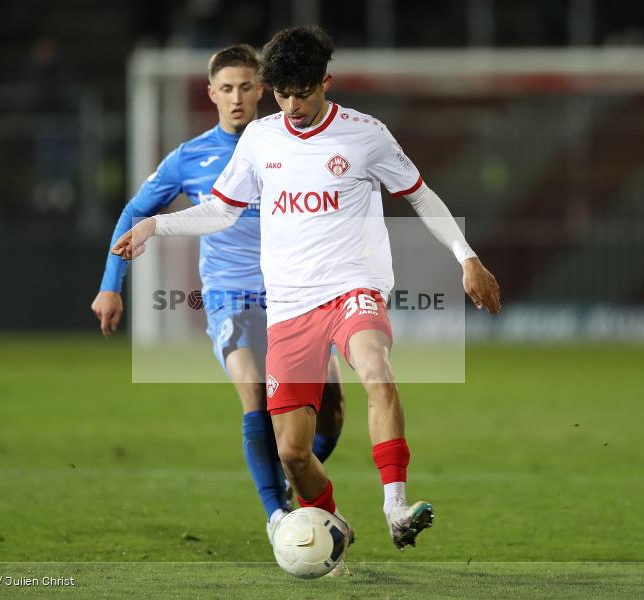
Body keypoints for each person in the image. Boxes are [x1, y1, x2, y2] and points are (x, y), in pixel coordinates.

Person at [112, 27, 501, 553]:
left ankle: (396, 507)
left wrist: (466, 257)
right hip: (289, 306)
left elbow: (421, 196)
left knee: (376, 370)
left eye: (303, 93)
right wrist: (154, 226)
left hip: (351, 287)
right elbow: (222, 211)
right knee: (293, 452)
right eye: (282, 95)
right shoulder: (261, 139)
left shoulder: (366, 135)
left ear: (326, 83)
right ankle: (332, 527)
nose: (292, 106)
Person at [91, 44, 345, 542]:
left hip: (294, 296)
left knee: (331, 412)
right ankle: (278, 516)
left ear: (262, 90)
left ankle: (290, 478)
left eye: (246, 87)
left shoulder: (291, 145)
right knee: (254, 391)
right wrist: (110, 286)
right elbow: (135, 213)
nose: (237, 98)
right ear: (211, 94)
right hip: (230, 295)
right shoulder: (189, 158)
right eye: (226, 88)